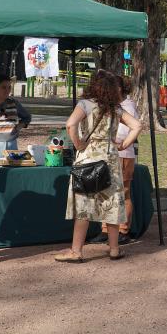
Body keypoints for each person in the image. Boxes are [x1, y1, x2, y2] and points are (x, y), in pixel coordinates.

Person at [55, 70, 142, 263]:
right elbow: (137, 125)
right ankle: (114, 249)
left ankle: (76, 251)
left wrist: (78, 144)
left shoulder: (85, 104)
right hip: (110, 158)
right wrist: (123, 145)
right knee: (111, 204)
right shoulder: (116, 109)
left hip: (88, 157)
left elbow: (70, 124)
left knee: (84, 204)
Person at [93, 75, 137, 245]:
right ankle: (106, 230)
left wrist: (119, 143)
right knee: (106, 192)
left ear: (119, 88)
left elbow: (127, 131)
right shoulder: (111, 106)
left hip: (123, 154)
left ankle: (123, 230)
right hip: (109, 154)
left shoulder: (127, 106)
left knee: (123, 192)